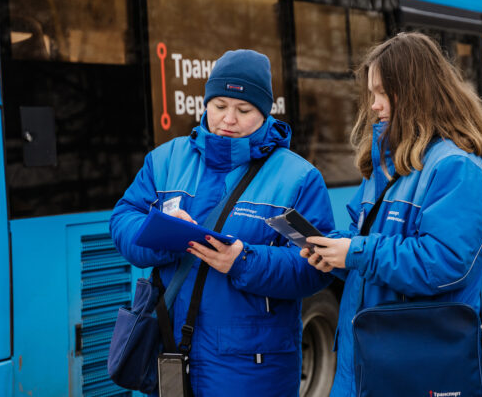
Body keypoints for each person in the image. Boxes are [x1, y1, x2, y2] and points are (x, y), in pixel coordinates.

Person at [111, 49, 334, 397]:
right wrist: (159, 237)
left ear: (264, 112)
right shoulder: (165, 160)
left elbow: (317, 267)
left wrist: (244, 261)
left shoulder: (299, 178)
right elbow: (123, 218)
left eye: (243, 110)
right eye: (219, 106)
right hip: (171, 349)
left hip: (253, 367)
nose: (228, 119)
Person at [302, 32, 482, 397]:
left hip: (417, 366)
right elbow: (369, 249)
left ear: (413, 92)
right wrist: (336, 253)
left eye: (382, 92)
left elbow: (445, 265)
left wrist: (356, 252)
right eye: (371, 93)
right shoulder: (390, 166)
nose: (374, 105)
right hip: (374, 359)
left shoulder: (457, 169)